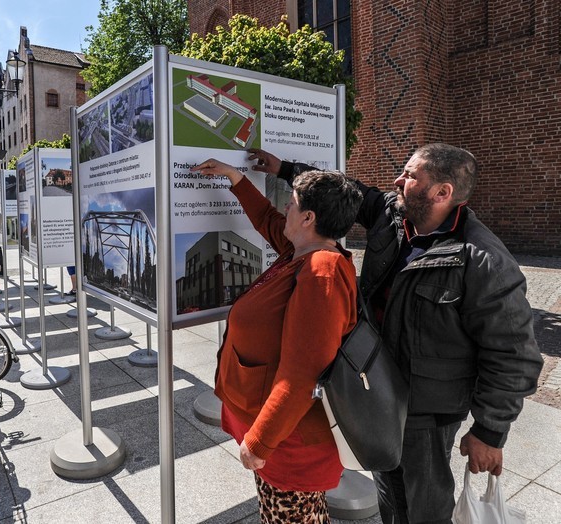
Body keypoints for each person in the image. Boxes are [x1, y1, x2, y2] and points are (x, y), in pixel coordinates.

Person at [246, 144, 543, 523]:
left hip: (427, 411)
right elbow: (348, 189)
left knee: (425, 502)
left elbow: (514, 356)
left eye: (409, 176)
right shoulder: (392, 214)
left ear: (442, 193)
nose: (398, 181)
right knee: (389, 490)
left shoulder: (482, 260)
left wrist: (489, 431)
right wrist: (284, 167)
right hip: (378, 392)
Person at [190, 160, 362, 522]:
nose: (286, 206)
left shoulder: (321, 272)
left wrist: (261, 441)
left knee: (289, 516)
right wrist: (235, 178)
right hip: (280, 433)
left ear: (309, 218)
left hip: (289, 442)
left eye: (293, 202)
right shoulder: (300, 251)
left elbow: (303, 372)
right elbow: (267, 218)